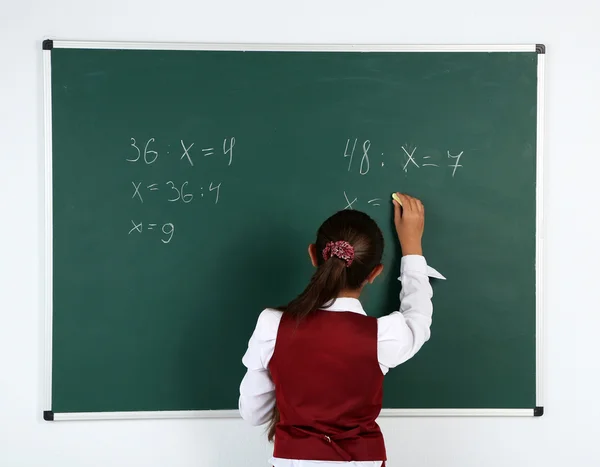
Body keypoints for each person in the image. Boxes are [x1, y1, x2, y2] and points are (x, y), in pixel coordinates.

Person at [239, 193, 444, 466]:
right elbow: (418, 316)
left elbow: (254, 414)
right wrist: (412, 249)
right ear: (375, 273)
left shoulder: (272, 325)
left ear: (313, 255)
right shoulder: (385, 336)